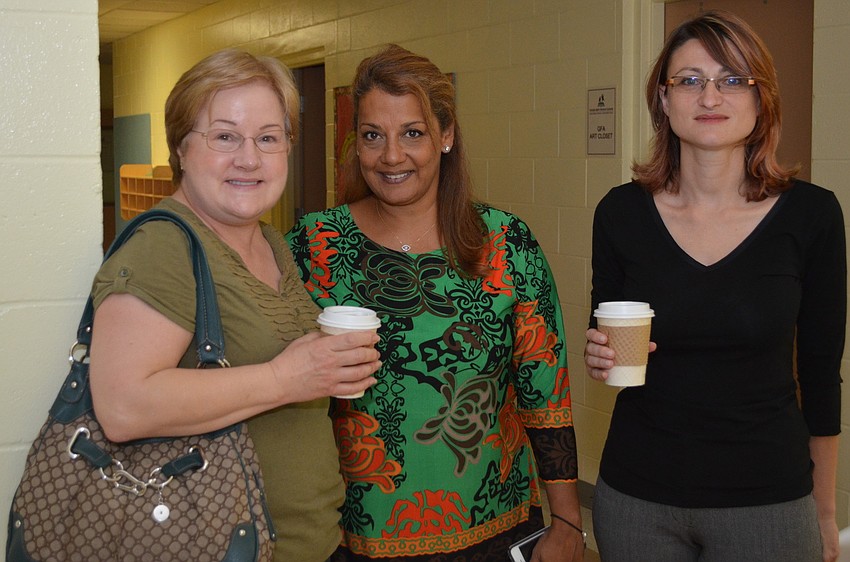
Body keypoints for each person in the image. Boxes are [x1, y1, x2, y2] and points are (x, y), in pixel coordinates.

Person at [285, 44, 584, 562]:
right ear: (355, 143)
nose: (392, 156)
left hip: (493, 530)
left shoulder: (506, 242)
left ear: (446, 136)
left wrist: (567, 521)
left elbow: (546, 393)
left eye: (413, 133)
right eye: (373, 135)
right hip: (353, 536)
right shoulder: (314, 246)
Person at [88, 49, 382, 562]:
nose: (249, 158)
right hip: (221, 547)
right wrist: (286, 378)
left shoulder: (271, 243)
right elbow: (123, 407)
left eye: (268, 138)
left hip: (306, 542)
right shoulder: (166, 246)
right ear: (181, 147)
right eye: (225, 136)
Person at [584, 10, 845, 562]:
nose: (710, 96)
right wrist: (599, 355)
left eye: (732, 79)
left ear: (760, 98)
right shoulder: (620, 213)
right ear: (663, 97)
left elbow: (822, 378)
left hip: (769, 502)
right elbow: (607, 342)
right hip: (637, 500)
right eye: (690, 80)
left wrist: (824, 512)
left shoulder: (813, 216)